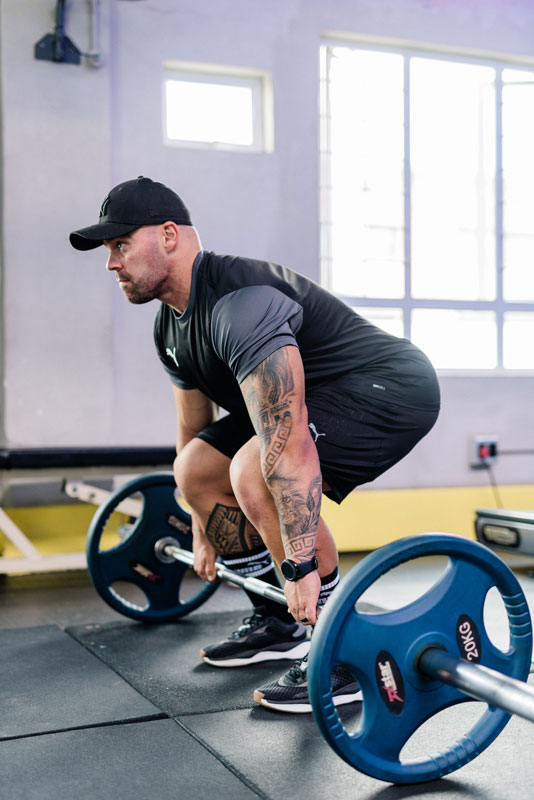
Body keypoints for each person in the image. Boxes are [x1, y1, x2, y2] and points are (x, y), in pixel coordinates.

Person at [70, 176, 440, 713]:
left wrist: (299, 565)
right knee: (197, 469)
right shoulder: (169, 328)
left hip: (391, 388)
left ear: (169, 236)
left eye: (121, 245)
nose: (111, 263)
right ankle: (277, 624)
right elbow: (193, 440)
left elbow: (286, 448)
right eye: (108, 250)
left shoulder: (241, 304)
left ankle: (341, 651)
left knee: (254, 469)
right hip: (309, 401)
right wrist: (199, 525)